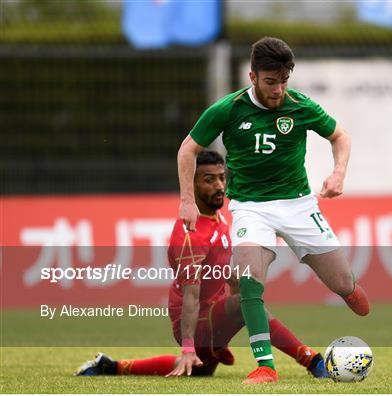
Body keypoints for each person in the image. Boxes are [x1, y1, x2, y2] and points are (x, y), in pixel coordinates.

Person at [178, 37, 370, 384]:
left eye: (284, 81)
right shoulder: (229, 109)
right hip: (251, 207)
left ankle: (349, 287)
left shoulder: (300, 106)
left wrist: (338, 172)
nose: (278, 89)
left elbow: (340, 136)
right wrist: (187, 201)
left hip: (298, 204)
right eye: (270, 82)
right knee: (250, 280)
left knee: (341, 283)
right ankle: (265, 365)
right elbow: (187, 150)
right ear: (252, 76)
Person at [75, 150, 327, 379]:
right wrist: (188, 347)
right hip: (195, 321)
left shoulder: (216, 215)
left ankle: (110, 366)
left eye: (221, 178)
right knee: (244, 303)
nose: (219, 186)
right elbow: (191, 298)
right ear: (192, 184)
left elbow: (216, 266)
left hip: (212, 311)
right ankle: (311, 360)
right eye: (209, 180)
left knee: (199, 371)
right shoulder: (191, 235)